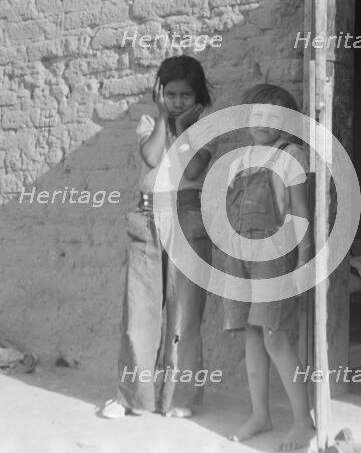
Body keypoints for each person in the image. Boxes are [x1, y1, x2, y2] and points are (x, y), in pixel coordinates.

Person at [102, 55, 215, 419]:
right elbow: (152, 158)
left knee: (184, 315)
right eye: (171, 94)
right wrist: (165, 119)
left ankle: (178, 400)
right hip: (147, 219)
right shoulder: (151, 122)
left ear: (198, 96)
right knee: (139, 314)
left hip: (187, 219)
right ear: (159, 93)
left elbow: (194, 166)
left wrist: (183, 127)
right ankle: (132, 397)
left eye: (185, 95)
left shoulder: (205, 126)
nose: (178, 100)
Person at [223, 84, 316, 450]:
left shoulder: (290, 154)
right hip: (238, 255)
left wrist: (304, 260)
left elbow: (300, 213)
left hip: (274, 257)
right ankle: (260, 414)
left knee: (274, 335)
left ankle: (302, 421)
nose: (262, 123)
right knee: (251, 333)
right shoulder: (238, 159)